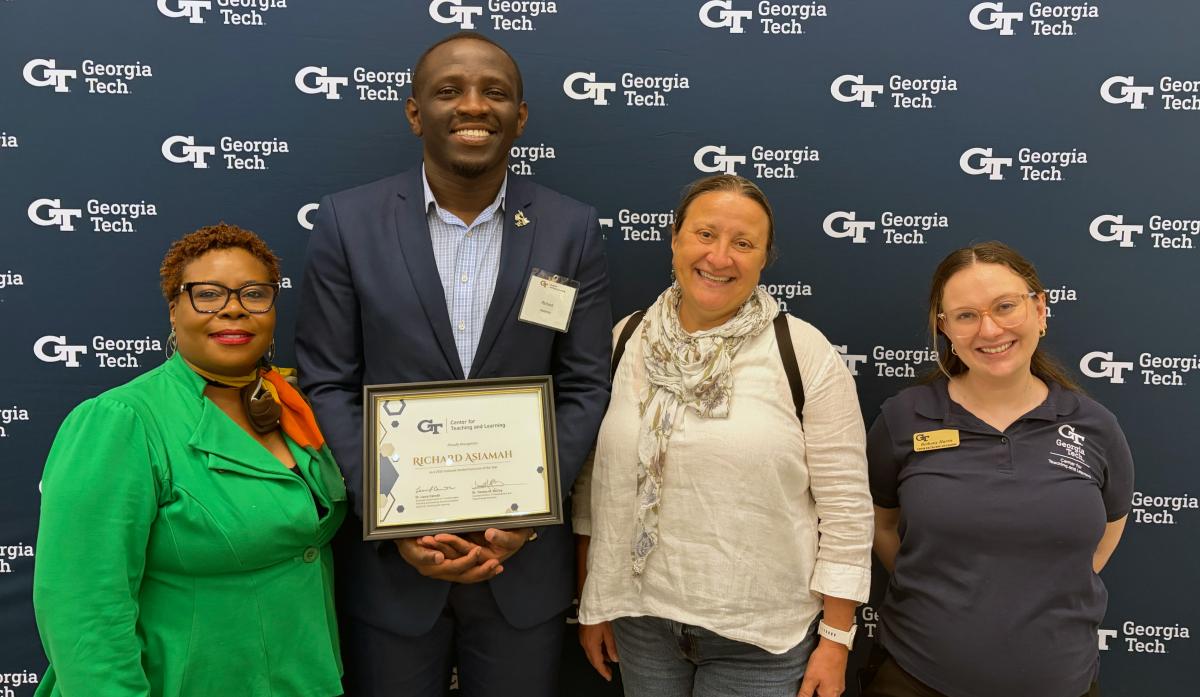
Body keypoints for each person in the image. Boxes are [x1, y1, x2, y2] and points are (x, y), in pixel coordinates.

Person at [295, 31, 611, 697]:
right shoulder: (347, 224)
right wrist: (396, 517)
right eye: (450, 91)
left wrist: (531, 511)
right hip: (392, 571)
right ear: (415, 112)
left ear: (520, 116)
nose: (474, 105)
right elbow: (327, 381)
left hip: (521, 569)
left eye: (495, 92)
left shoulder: (569, 229)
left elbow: (584, 384)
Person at [574, 174, 873, 697]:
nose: (720, 256)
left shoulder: (803, 354)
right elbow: (593, 491)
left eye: (743, 244)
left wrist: (837, 637)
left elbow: (846, 508)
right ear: (675, 239)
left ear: (763, 259)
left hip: (761, 637)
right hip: (641, 623)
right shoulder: (625, 340)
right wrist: (591, 599)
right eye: (705, 234)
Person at [32, 223, 346, 697]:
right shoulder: (120, 420)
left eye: (254, 294)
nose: (234, 308)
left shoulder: (290, 405)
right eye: (208, 294)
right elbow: (82, 609)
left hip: (305, 680)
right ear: (174, 309)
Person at [863, 241, 1133, 697]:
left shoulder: (1094, 426)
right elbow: (881, 526)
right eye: (966, 315)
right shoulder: (904, 418)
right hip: (917, 677)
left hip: (1060, 682)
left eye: (1005, 306)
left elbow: (1106, 533)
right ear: (945, 328)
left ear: (1040, 308)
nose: (990, 329)